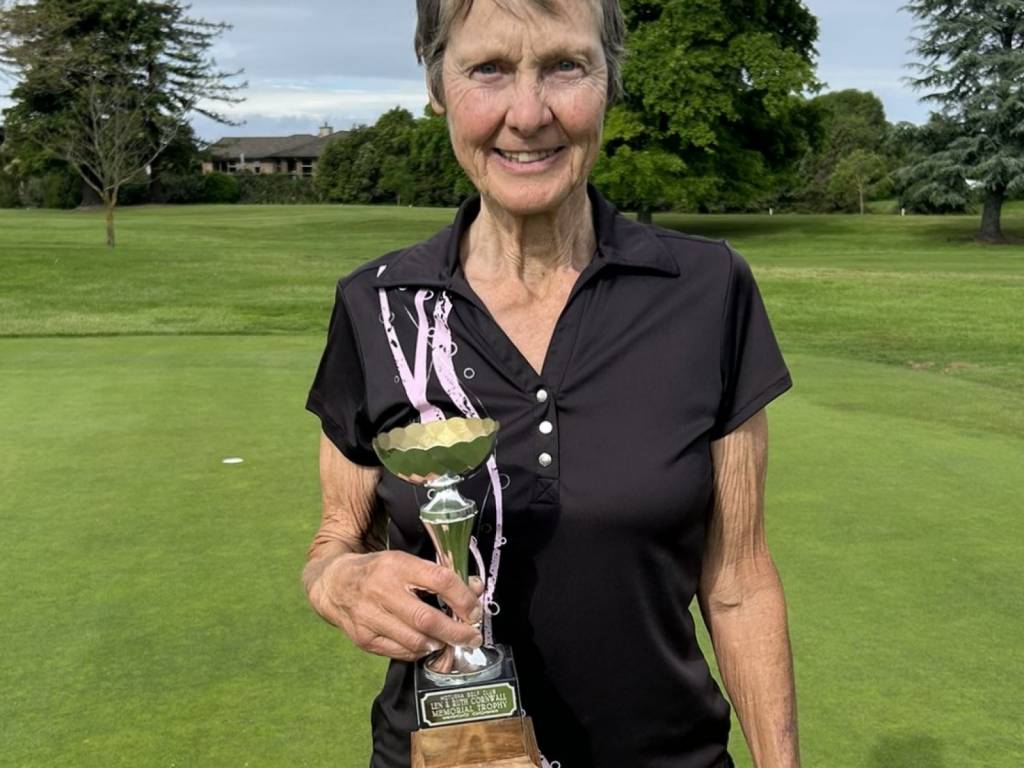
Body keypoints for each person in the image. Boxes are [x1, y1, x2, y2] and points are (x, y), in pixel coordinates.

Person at [303, 1, 801, 766]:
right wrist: (337, 579)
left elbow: (737, 582)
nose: (528, 114)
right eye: (489, 69)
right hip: (449, 754)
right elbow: (339, 534)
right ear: (438, 84)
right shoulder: (377, 306)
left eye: (566, 66)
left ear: (609, 83)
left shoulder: (707, 289)